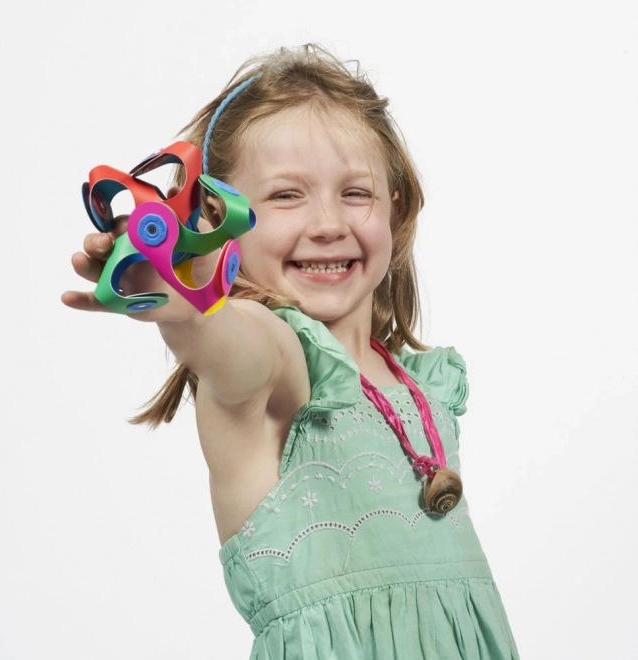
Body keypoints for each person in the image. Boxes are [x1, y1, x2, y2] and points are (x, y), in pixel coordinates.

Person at [62, 44, 519, 659]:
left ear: (396, 208)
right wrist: (176, 297)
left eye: (355, 193)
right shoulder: (280, 362)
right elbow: (228, 343)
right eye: (285, 196)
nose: (328, 222)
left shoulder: (422, 386)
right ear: (216, 218)